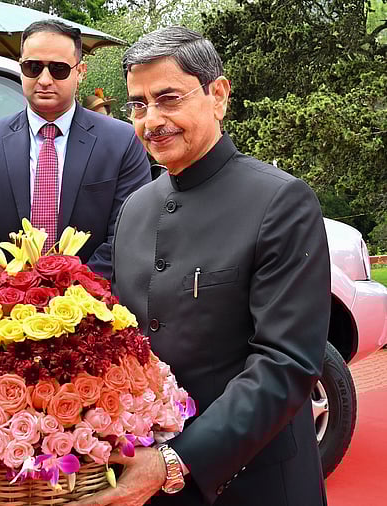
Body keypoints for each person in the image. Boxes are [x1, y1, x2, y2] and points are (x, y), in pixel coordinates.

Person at [88, 27, 330, 506]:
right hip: (147, 476)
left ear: (218, 94)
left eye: (168, 98)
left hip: (255, 480)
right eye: (138, 104)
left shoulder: (281, 202)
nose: (151, 120)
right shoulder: (135, 207)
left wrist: (179, 461)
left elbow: (287, 363)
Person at [0, 19, 151, 279]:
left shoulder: (121, 143)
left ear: (81, 71)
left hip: (95, 308)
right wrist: (13, 294)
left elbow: (127, 237)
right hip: (4, 310)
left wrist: (73, 298)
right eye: (33, 67)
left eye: (58, 69)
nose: (44, 80)